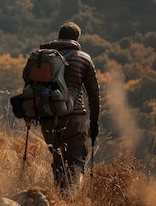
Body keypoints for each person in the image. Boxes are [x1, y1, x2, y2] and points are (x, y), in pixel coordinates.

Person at [38, 21, 101, 194]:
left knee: (58, 160)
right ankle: (68, 199)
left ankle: (59, 197)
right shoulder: (83, 58)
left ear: (59, 36)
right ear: (77, 38)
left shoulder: (44, 56)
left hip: (47, 118)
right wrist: (94, 122)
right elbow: (94, 94)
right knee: (76, 161)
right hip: (74, 117)